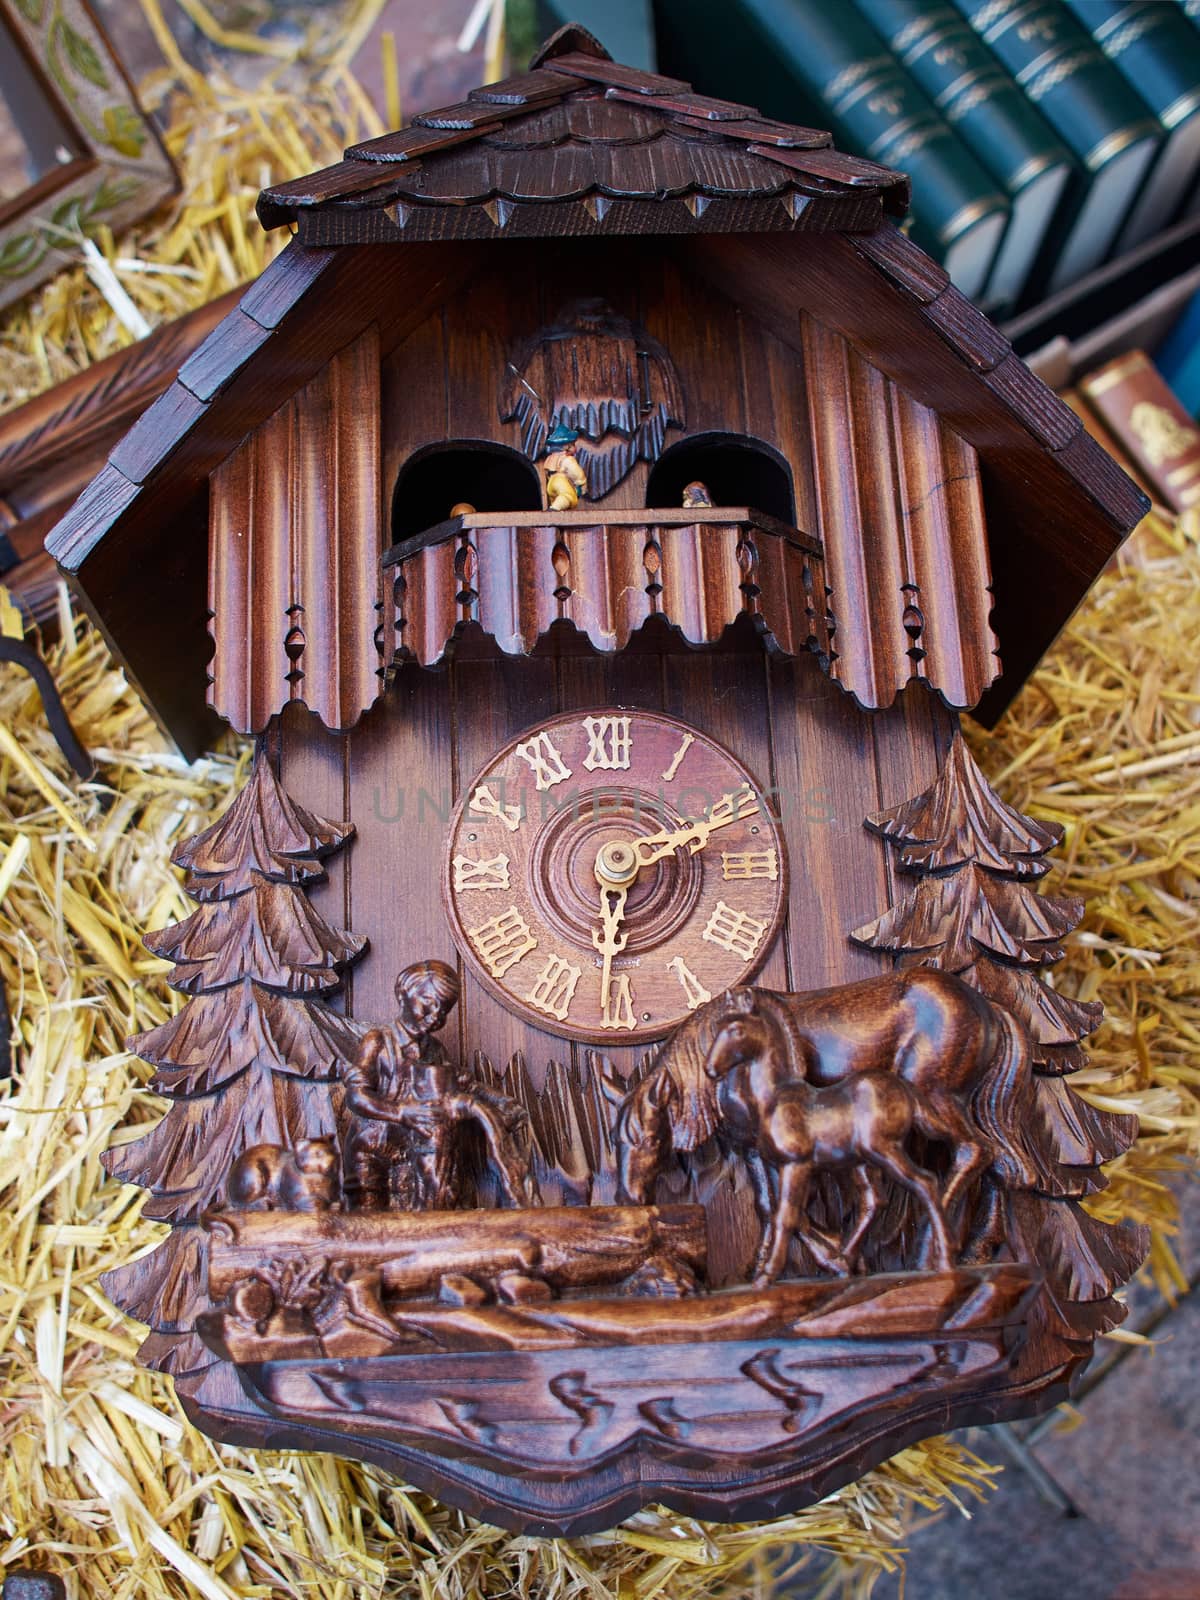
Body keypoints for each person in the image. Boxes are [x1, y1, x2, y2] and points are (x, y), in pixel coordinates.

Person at [341, 960, 536, 1211]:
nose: (435, 1016)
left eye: (443, 1011)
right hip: (372, 1151)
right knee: (369, 1226)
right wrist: (402, 1112)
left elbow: (456, 1090)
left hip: (416, 1154)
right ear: (404, 995)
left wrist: (495, 1101)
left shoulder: (435, 1050)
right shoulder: (378, 1041)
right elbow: (356, 1096)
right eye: (428, 1004)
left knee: (420, 1221)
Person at [542, 423, 588, 510]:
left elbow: (546, 470)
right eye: (573, 444)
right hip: (560, 481)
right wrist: (581, 484)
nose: (575, 448)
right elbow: (576, 472)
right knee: (569, 497)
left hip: (551, 483)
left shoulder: (550, 458)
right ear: (567, 446)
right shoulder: (567, 459)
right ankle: (554, 509)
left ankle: (556, 508)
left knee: (557, 499)